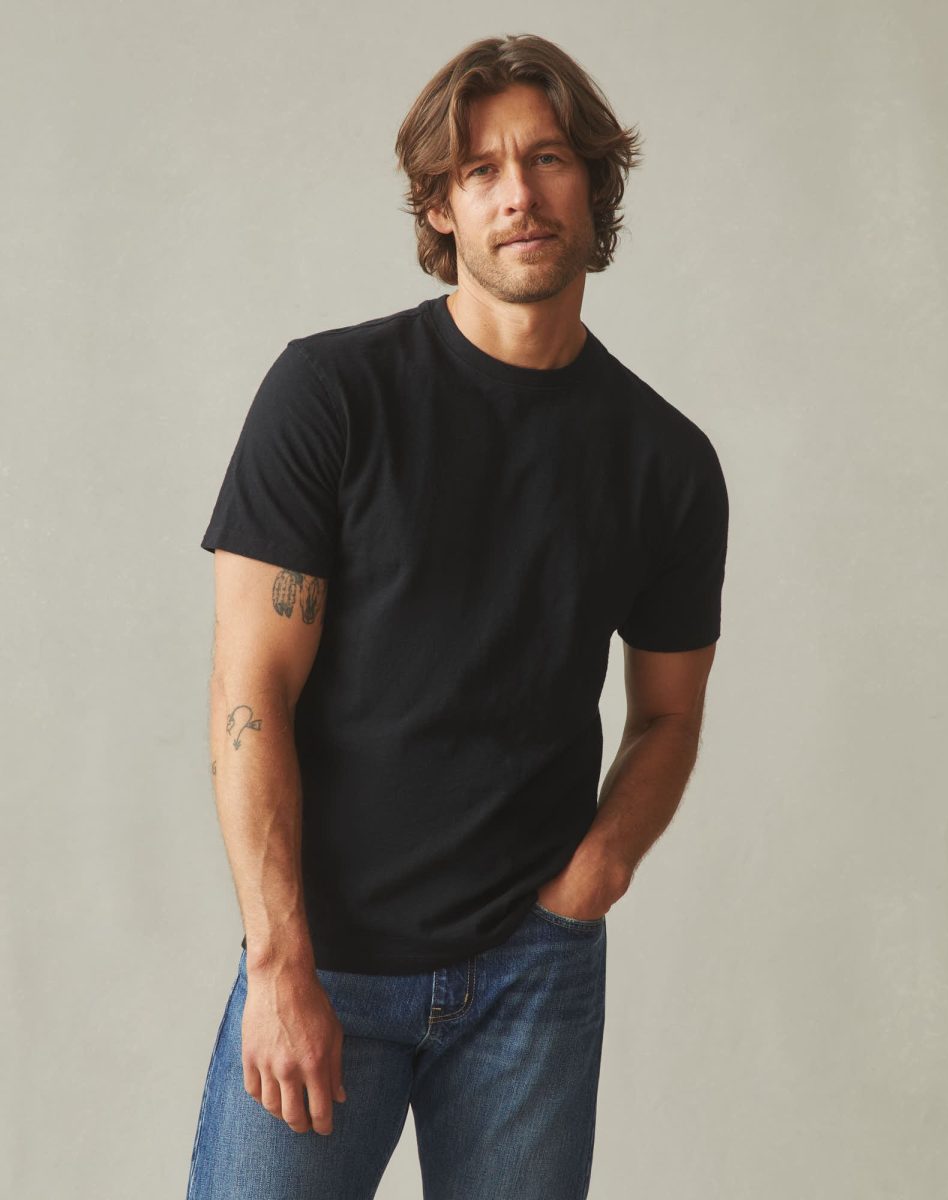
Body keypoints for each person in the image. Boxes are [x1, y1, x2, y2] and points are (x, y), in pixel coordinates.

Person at [185, 31, 729, 1200]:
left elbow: (669, 717)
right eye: (480, 170)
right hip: (324, 959)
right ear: (440, 208)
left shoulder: (666, 462)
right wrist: (279, 964)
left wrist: (590, 883)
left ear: (594, 183)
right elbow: (249, 695)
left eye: (547, 158)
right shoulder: (331, 397)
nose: (518, 193)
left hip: (530, 977)